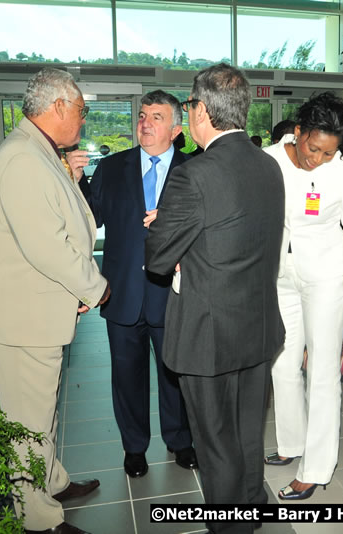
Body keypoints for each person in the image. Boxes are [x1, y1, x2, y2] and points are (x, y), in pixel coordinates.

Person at [145, 64, 285, 534]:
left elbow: (159, 259)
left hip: (208, 333)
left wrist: (164, 228)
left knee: (216, 441)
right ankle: (252, 508)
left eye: (189, 105)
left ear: (201, 111)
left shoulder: (194, 176)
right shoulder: (269, 165)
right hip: (259, 325)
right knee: (247, 430)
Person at [0, 67, 110, 534]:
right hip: (20, 318)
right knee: (26, 425)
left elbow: (64, 220)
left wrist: (71, 176)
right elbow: (48, 245)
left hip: (32, 312)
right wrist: (97, 286)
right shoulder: (24, 158)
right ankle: (37, 519)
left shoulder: (40, 152)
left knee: (40, 410)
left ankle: (50, 482)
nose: (84, 120)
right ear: (59, 108)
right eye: (82, 111)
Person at [263, 92, 343, 500]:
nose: (319, 159)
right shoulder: (269, 161)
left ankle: (315, 467)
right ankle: (292, 444)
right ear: (298, 132)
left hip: (328, 277)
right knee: (281, 363)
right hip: (280, 275)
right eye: (314, 148)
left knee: (323, 370)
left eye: (329, 153)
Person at [74, 90, 197, 478]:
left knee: (174, 375)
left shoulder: (195, 170)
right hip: (123, 293)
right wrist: (77, 182)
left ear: (176, 128)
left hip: (174, 295)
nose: (145, 123)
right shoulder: (112, 168)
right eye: (143, 115)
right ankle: (134, 447)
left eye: (157, 117)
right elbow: (90, 217)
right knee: (126, 377)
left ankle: (180, 440)